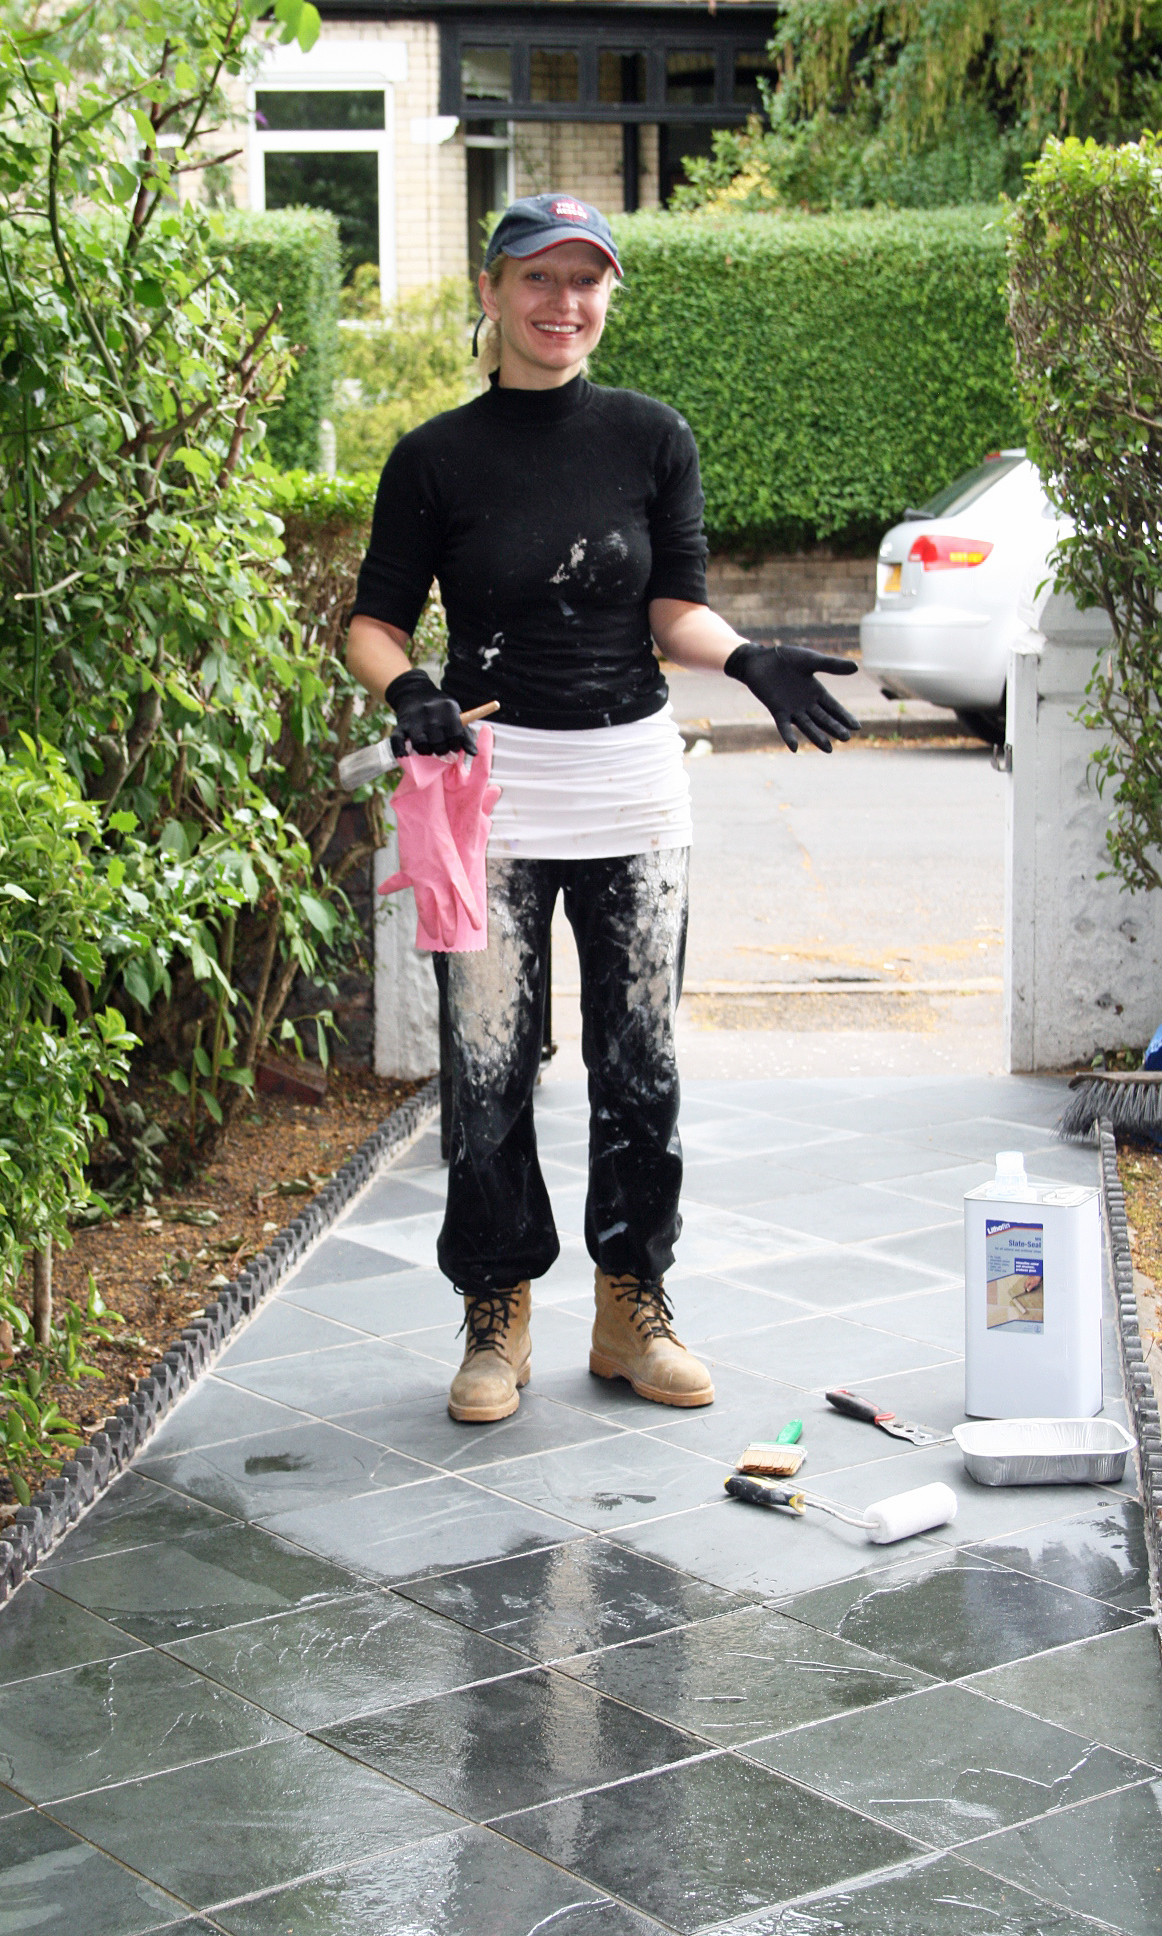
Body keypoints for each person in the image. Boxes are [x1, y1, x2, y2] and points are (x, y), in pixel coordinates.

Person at [347, 193, 859, 1425]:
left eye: (586, 280)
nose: (561, 303)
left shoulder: (650, 436)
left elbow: (672, 607)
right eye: (538, 277)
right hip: (489, 799)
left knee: (640, 1062)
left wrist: (744, 657)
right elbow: (373, 621)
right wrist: (410, 688)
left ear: (608, 297)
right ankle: (496, 1310)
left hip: (633, 788)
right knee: (486, 1065)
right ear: (491, 290)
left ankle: (632, 1305)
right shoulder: (434, 456)